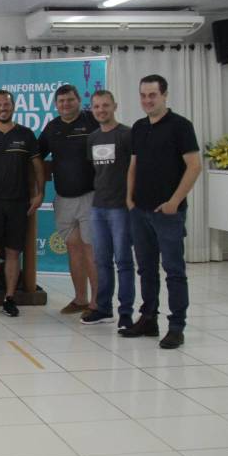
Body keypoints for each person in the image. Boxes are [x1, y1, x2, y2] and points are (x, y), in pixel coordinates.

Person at [123, 74, 201, 350]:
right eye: (143, 95)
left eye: (152, 95)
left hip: (168, 213)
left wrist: (174, 202)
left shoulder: (181, 126)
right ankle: (148, 318)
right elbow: (133, 165)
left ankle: (177, 327)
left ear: (165, 95)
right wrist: (129, 199)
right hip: (140, 210)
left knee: (174, 271)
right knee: (146, 269)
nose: (147, 100)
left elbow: (194, 166)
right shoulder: (139, 127)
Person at [0, 90, 44, 318]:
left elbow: (38, 166)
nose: (3, 108)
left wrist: (40, 194)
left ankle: (10, 299)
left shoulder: (26, 134)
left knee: (14, 252)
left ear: (13, 107)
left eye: (6, 104)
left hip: (18, 203)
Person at [39, 84, 99, 316]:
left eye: (70, 100)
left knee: (91, 250)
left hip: (91, 197)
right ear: (56, 105)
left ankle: (97, 304)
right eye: (61, 101)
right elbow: (36, 156)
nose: (66, 104)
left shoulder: (92, 120)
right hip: (63, 198)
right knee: (74, 249)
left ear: (78, 101)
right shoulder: (52, 128)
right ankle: (80, 299)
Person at [83, 90, 135, 329]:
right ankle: (104, 309)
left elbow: (135, 169)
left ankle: (126, 313)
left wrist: (130, 201)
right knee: (101, 261)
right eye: (96, 106)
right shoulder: (92, 138)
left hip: (121, 208)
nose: (101, 110)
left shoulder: (126, 134)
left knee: (123, 261)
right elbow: (96, 172)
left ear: (114, 106)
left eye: (105, 105)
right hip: (98, 207)